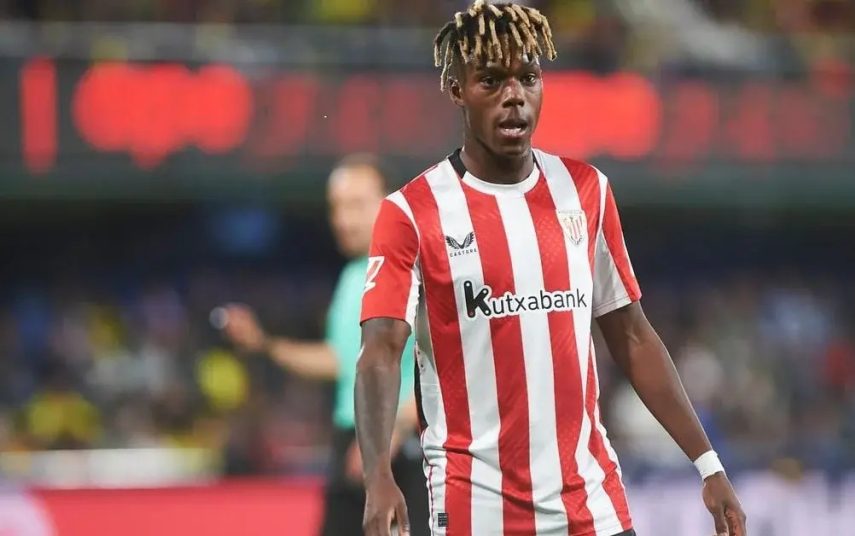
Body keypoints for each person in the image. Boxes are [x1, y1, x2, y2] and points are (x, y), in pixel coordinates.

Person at [355, 2, 747, 535]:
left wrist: (708, 464)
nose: (514, 95)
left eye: (528, 77)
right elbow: (380, 352)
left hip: (592, 507)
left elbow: (633, 336)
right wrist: (378, 474)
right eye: (491, 81)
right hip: (477, 511)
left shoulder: (586, 191)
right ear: (455, 89)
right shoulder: (411, 212)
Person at [215, 155, 430, 536]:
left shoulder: (418, 270)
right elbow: (340, 359)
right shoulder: (353, 275)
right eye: (336, 207)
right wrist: (264, 344)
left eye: (356, 205)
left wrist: (391, 432)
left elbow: (445, 366)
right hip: (354, 437)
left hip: (403, 446)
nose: (342, 219)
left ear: (391, 204)